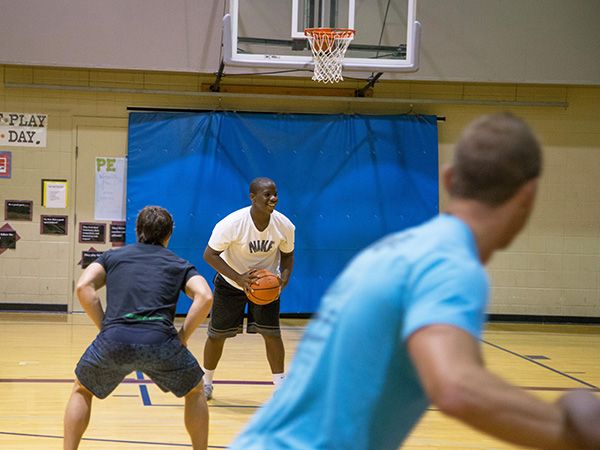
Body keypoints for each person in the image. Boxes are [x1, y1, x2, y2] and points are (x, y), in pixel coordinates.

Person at [229, 113, 600, 450]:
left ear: (450, 179)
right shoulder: (450, 263)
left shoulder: (397, 251)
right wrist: (569, 430)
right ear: (528, 198)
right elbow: (456, 387)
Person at [63, 206, 213, 450]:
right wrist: (183, 336)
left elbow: (83, 287)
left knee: (82, 389)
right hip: (160, 343)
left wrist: (105, 326)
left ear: (137, 230)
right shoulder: (179, 264)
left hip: (113, 341)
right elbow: (205, 297)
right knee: (196, 390)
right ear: (169, 234)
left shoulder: (111, 257)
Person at [202, 177, 295, 400]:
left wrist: (284, 279)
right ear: (252, 197)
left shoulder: (285, 225)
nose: (273, 198)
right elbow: (209, 255)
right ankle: (206, 382)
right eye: (267, 194)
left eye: (275, 194)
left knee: (272, 334)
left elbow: (288, 254)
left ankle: (280, 387)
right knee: (216, 335)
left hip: (264, 285)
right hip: (231, 282)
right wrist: (239, 278)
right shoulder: (232, 224)